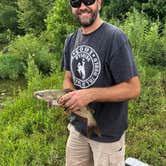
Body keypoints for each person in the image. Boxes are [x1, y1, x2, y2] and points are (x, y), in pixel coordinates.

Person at [60, 0, 141, 165]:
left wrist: (89, 95)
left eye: (88, 1)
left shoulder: (115, 37)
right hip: (77, 129)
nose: (82, 6)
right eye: (76, 2)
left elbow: (133, 88)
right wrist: (70, 97)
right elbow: (68, 78)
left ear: (99, 3)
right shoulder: (71, 40)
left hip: (108, 136)